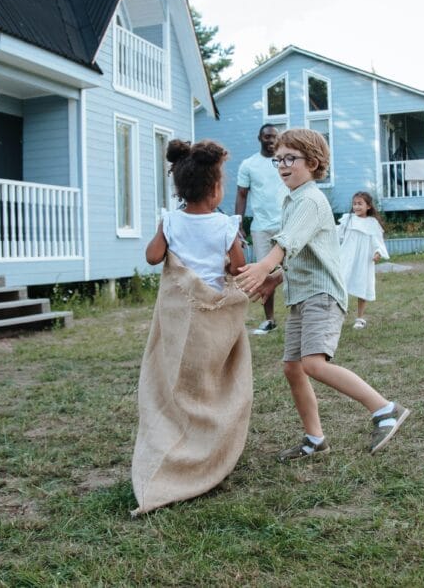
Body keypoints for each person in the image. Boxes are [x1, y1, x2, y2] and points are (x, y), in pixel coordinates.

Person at [236, 128, 409, 461]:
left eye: (291, 158)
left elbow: (286, 242)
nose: (283, 165)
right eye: (278, 160)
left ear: (312, 162)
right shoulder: (293, 199)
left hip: (322, 296)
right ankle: (315, 440)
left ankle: (385, 409)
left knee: (313, 364)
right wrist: (275, 279)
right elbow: (302, 253)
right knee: (292, 367)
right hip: (302, 296)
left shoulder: (311, 200)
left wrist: (263, 267)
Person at [132, 139, 252, 515]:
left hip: (178, 317)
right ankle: (204, 447)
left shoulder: (170, 221)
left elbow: (152, 257)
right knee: (208, 385)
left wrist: (165, 231)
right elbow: (236, 267)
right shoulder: (224, 226)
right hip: (212, 320)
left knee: (175, 382)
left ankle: (174, 441)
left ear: (180, 188)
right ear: (215, 189)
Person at [235, 123, 286, 335]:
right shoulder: (249, 164)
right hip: (261, 227)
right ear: (259, 138)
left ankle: (299, 316)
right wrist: (238, 224)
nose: (270, 139)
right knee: (264, 273)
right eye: (266, 136)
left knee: (295, 269)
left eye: (274, 136)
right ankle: (270, 320)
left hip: (286, 225)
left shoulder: (285, 161)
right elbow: (242, 194)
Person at [337, 191, 389, 329]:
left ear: (368, 206)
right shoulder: (348, 219)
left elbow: (378, 241)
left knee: (362, 285)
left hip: (363, 259)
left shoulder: (372, 223)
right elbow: (337, 235)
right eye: (354, 204)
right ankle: (341, 313)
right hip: (347, 257)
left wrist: (378, 252)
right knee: (341, 284)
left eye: (360, 204)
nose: (356, 207)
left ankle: (360, 318)